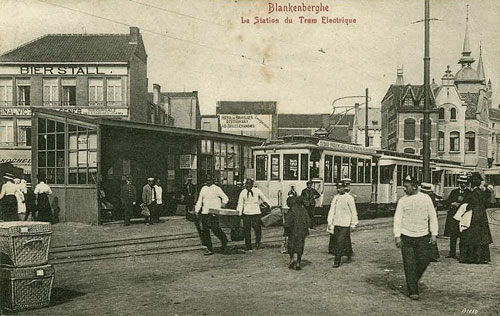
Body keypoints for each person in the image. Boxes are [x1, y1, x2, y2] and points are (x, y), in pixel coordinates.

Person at [393, 175, 438, 300]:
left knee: (424, 260)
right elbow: (397, 219)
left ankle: (412, 279)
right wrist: (397, 236)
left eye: (407, 187)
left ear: (415, 186)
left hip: (423, 236)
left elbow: (432, 217)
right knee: (409, 264)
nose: (404, 189)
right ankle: (413, 290)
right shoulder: (402, 201)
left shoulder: (426, 198)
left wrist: (434, 234)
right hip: (406, 236)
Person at [459, 172, 493, 264]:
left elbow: (469, 205)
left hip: (472, 216)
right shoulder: (482, 193)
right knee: (481, 237)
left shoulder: (472, 193)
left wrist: (463, 207)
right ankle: (481, 257)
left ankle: (470, 257)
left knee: (470, 236)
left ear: (471, 183)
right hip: (481, 216)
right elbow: (487, 204)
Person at [195, 175, 229, 256]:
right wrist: (196, 210)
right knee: (205, 231)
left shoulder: (217, 188)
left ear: (212, 180)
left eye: (209, 180)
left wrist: (223, 204)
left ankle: (224, 240)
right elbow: (200, 200)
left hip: (214, 212)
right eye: (207, 180)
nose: (208, 182)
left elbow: (225, 198)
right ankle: (209, 248)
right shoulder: (203, 189)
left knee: (215, 229)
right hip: (205, 212)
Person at [327, 181, 358, 268]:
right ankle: (348, 253)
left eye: (340, 187)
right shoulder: (335, 198)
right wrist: (330, 222)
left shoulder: (349, 198)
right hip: (337, 223)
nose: (338, 189)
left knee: (339, 242)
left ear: (344, 188)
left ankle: (337, 260)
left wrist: (353, 223)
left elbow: (353, 211)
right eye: (337, 187)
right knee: (345, 239)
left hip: (345, 223)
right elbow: (332, 210)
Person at [237, 178, 270, 252]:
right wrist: (239, 213)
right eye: (246, 184)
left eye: (249, 184)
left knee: (257, 229)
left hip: (256, 213)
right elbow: (240, 203)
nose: (248, 186)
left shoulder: (257, 190)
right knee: (246, 231)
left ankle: (257, 243)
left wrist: (269, 205)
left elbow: (264, 198)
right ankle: (248, 246)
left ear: (252, 184)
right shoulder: (243, 192)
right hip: (246, 213)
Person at [444, 175, 470, 259]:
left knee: (463, 235)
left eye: (464, 183)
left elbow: (470, 203)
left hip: (463, 216)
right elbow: (448, 202)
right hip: (454, 216)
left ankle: (462, 253)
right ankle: (452, 253)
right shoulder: (454, 192)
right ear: (459, 183)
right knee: (453, 235)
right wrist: (452, 204)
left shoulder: (469, 193)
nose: (463, 184)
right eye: (461, 183)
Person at [284, 196, 310, 270]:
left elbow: (287, 223)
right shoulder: (303, 209)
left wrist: (285, 231)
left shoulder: (291, 210)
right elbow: (308, 221)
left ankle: (292, 259)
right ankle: (298, 262)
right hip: (301, 232)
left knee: (291, 246)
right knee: (300, 247)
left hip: (292, 232)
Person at [419, 182, 440, 262]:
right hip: (425, 218)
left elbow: (434, 209)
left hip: (427, 218)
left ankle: (431, 255)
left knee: (428, 236)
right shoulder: (429, 197)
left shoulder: (430, 198)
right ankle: (431, 255)